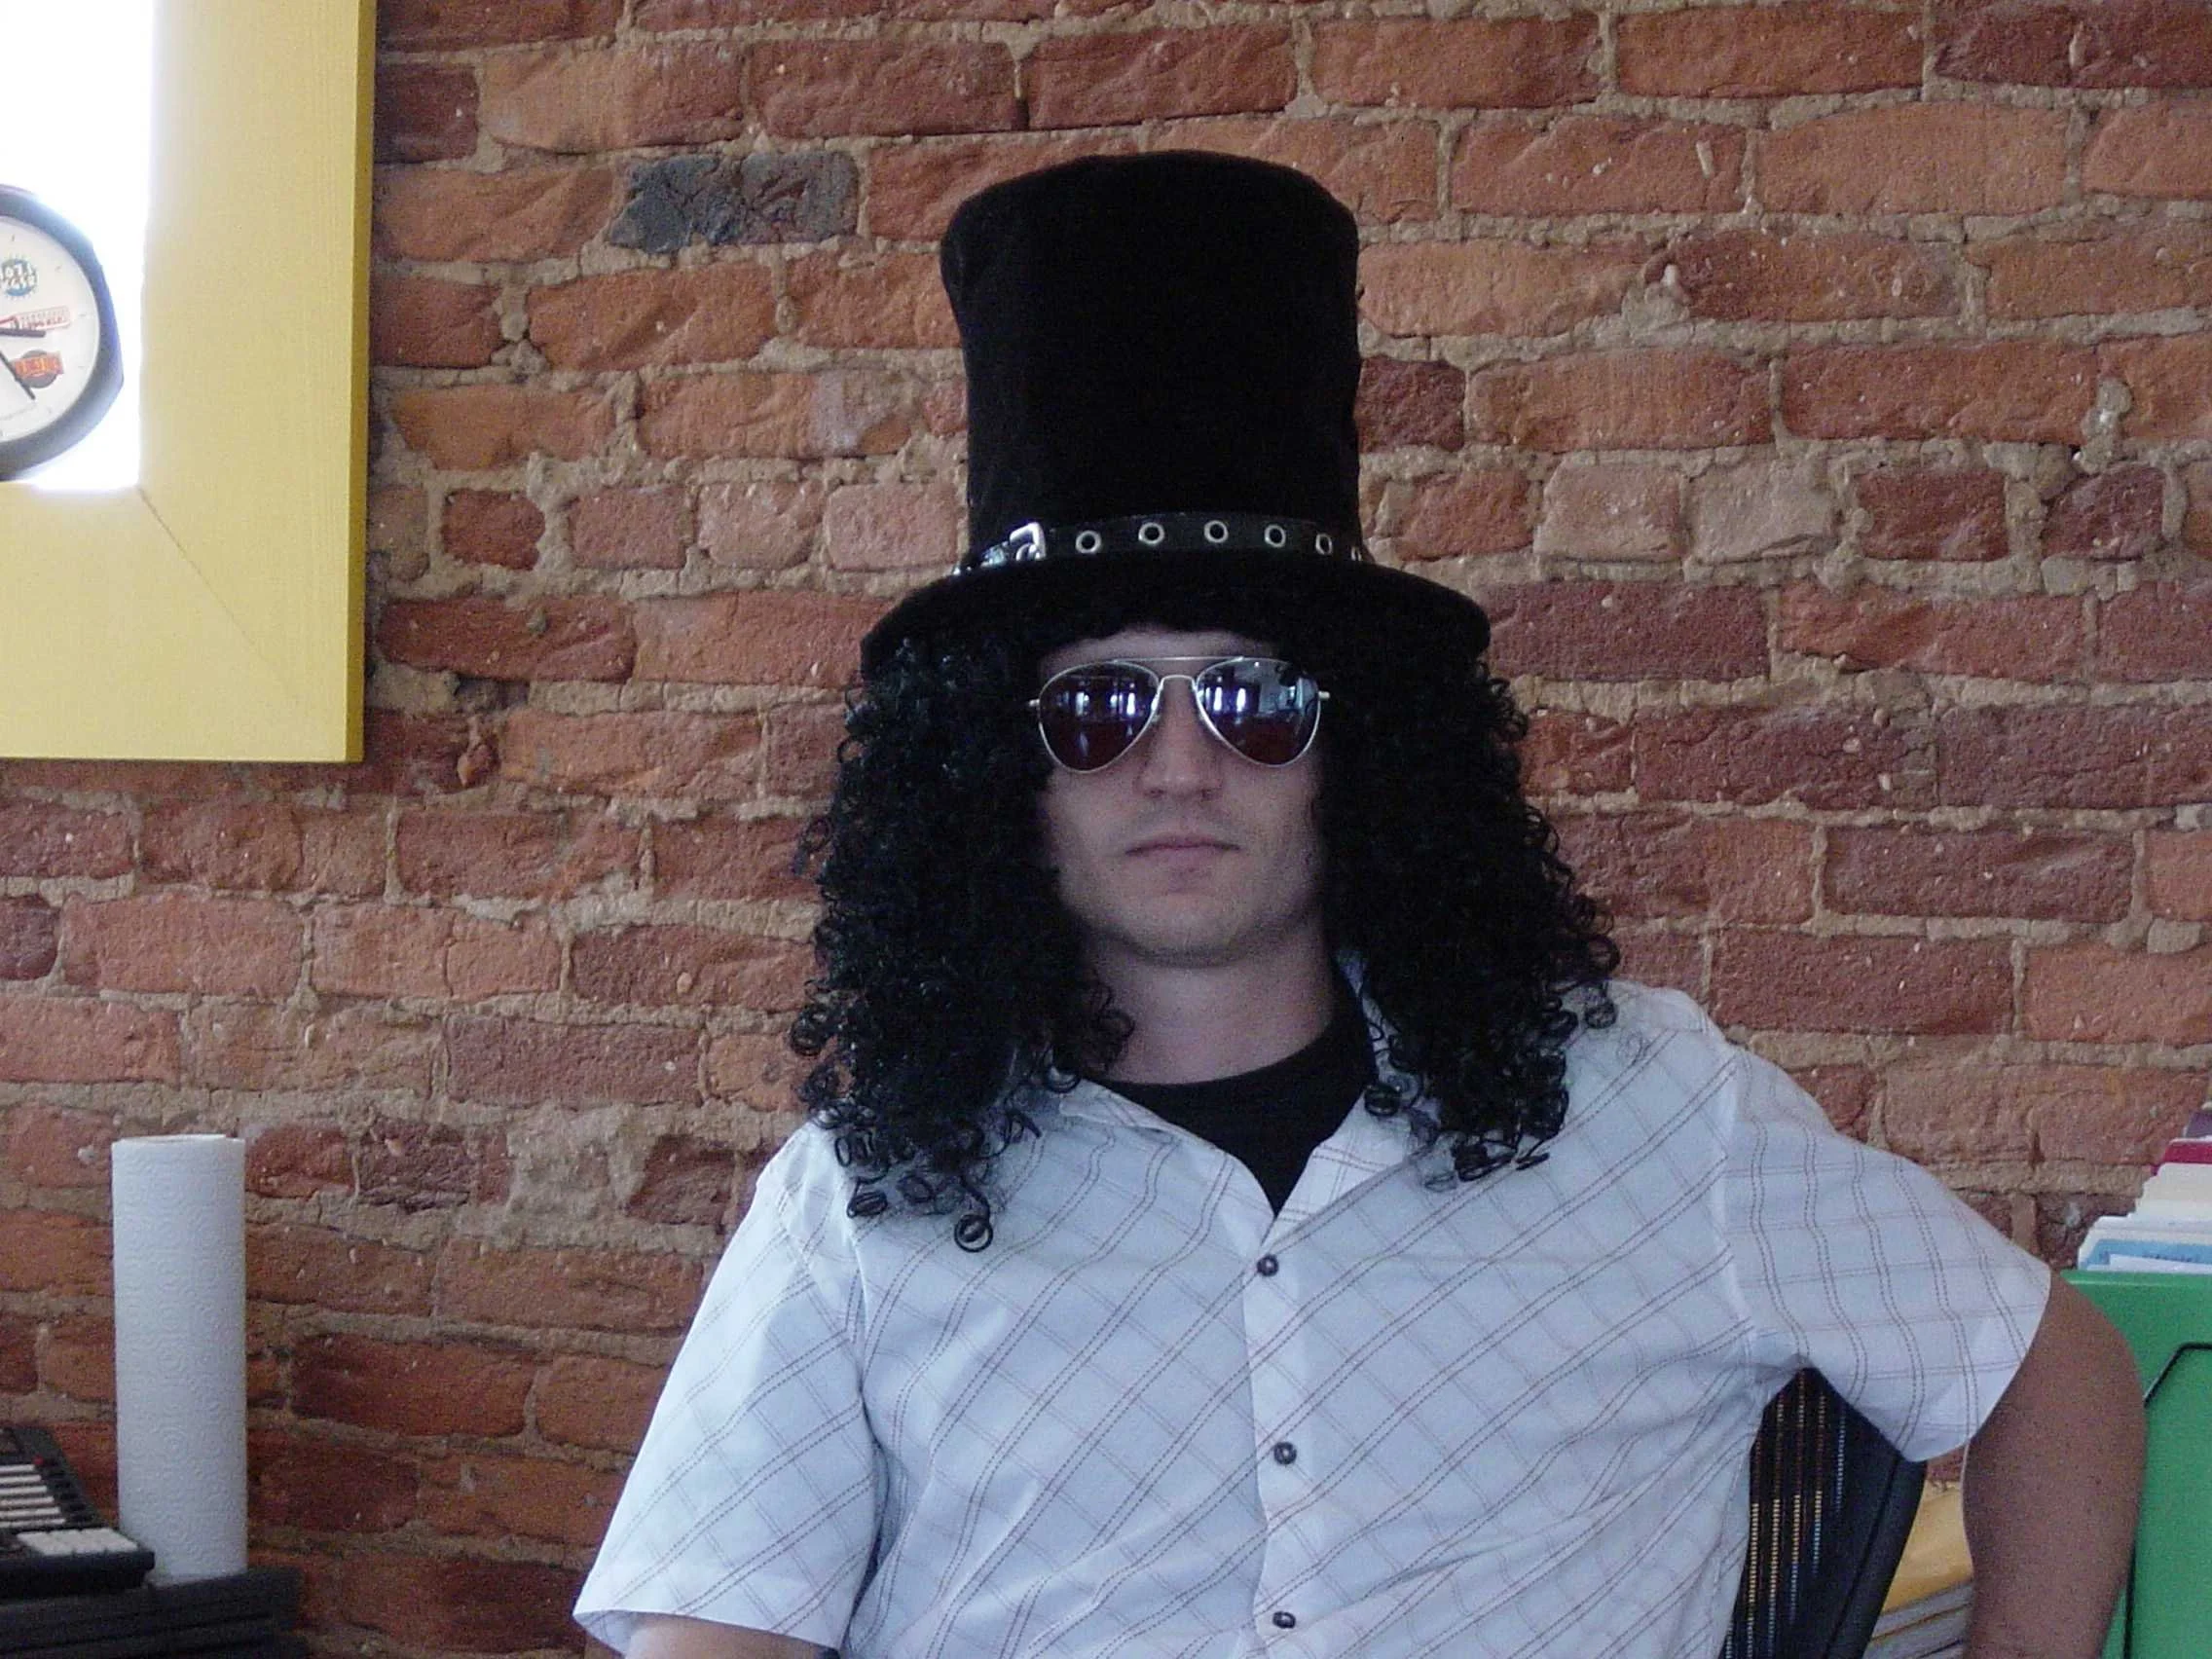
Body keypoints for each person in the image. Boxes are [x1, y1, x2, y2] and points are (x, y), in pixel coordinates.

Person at [574, 153, 2143, 1659]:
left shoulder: (1661, 1119)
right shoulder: (863, 1197)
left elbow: (2041, 1364)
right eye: (1098, 709)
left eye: (1255, 701)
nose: (1179, 767)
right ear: (996, 771)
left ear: (1364, 748)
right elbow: (717, 1620)